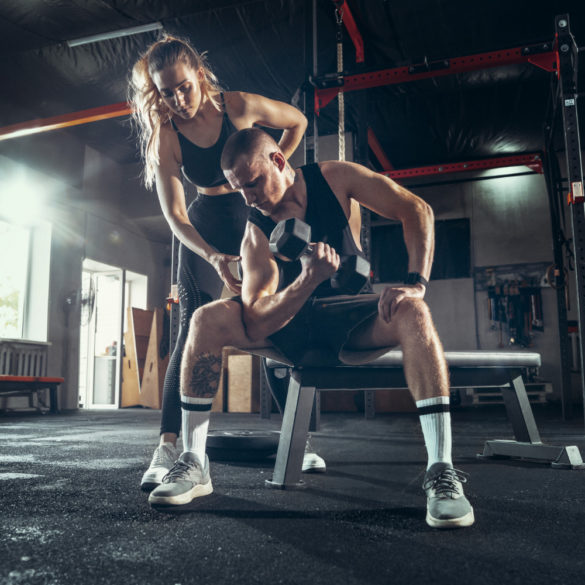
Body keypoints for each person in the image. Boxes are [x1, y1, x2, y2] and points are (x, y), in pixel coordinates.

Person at [147, 128, 475, 530]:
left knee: (414, 311)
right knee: (205, 318)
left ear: (279, 162)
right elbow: (257, 319)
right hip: (285, 329)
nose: (248, 197)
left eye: (253, 183)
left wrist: (415, 281)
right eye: (239, 190)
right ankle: (195, 462)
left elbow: (417, 210)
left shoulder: (335, 178)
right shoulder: (255, 233)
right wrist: (308, 280)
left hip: (348, 320)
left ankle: (441, 472)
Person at [128, 36, 324, 491]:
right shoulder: (168, 138)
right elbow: (175, 215)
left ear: (198, 73)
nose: (178, 99)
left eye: (183, 87)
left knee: (271, 320)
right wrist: (211, 254)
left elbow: (297, 122)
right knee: (191, 328)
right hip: (204, 229)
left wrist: (274, 169)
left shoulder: (238, 108)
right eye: (167, 92)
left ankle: (303, 441)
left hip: (251, 216)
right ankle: (168, 447)